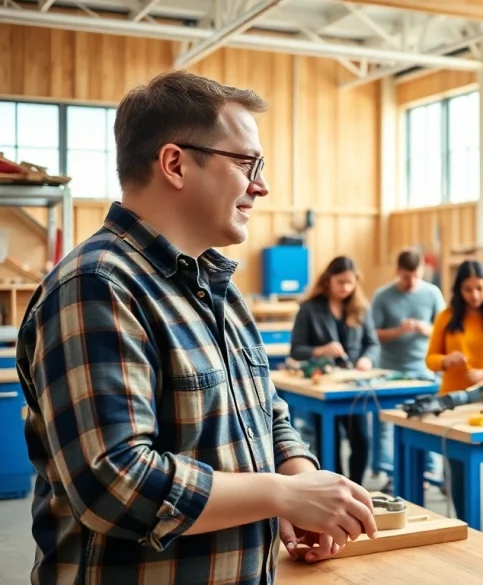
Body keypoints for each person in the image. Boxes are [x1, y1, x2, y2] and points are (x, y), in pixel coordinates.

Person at [14, 71, 377, 585]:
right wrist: (279, 495)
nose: (262, 185)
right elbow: (115, 484)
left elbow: (264, 414)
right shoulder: (96, 287)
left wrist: (301, 476)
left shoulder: (217, 287)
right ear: (175, 163)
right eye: (247, 162)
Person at [425, 260, 483, 532]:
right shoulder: (446, 316)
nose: (475, 295)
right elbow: (430, 359)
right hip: (454, 403)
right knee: (459, 470)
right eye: (468, 289)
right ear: (458, 289)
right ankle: (466, 526)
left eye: (479, 288)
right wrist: (446, 360)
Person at [290, 256, 380, 483]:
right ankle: (335, 488)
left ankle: (356, 486)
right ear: (328, 280)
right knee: (329, 442)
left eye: (350, 283)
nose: (346, 288)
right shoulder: (309, 309)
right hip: (324, 387)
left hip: (353, 387)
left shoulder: (361, 308)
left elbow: (372, 343)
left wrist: (367, 360)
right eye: (341, 282)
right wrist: (321, 350)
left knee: (362, 440)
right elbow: (296, 350)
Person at [369, 248, 447, 483]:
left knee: (429, 419)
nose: (411, 282)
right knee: (387, 423)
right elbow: (372, 334)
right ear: (397, 272)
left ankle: (431, 471)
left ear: (422, 271)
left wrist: (426, 329)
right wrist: (397, 331)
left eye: (416, 276)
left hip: (423, 371)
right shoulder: (382, 296)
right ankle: (390, 471)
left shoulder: (433, 294)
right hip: (390, 371)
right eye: (405, 277)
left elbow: (444, 330)